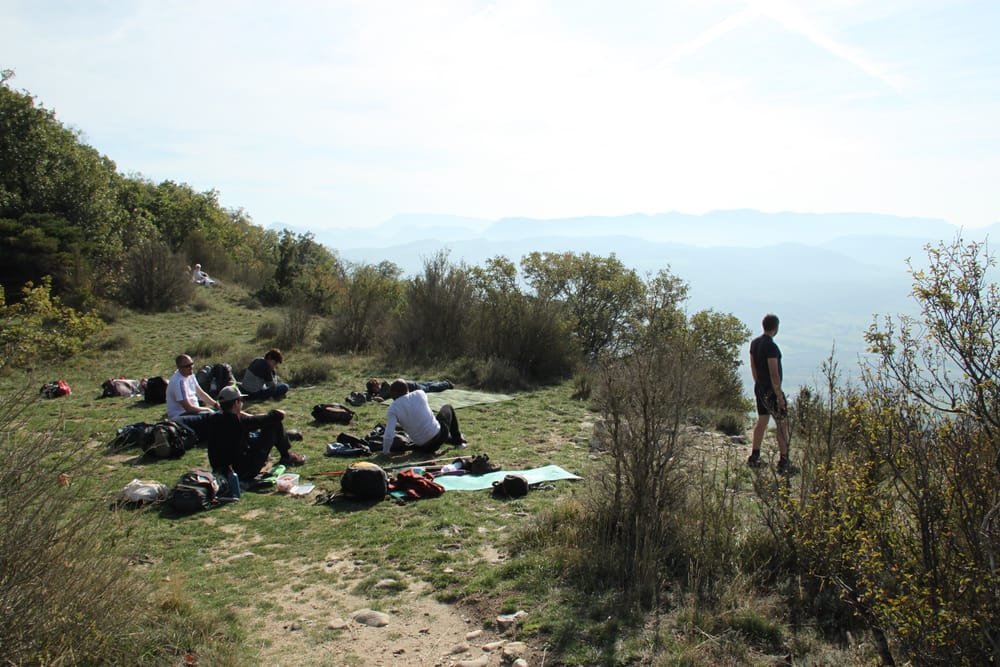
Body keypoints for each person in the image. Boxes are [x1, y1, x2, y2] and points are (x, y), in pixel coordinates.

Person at [205, 386, 306, 499]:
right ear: (236, 403)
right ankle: (286, 456)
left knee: (254, 436)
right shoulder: (239, 422)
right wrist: (274, 413)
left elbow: (251, 421)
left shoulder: (214, 419)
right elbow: (276, 416)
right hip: (242, 471)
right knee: (274, 425)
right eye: (241, 400)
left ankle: (286, 450)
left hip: (221, 470)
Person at [747, 313, 797, 474]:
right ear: (776, 328)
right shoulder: (771, 347)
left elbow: (753, 367)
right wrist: (779, 395)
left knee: (762, 421)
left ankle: (754, 456)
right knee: (782, 424)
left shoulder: (755, 343)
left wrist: (758, 384)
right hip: (772, 390)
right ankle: (784, 461)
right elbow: (774, 373)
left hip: (760, 387)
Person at [380, 378, 466, 455]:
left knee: (430, 426)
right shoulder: (419, 394)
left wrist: (385, 451)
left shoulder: (392, 408)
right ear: (407, 389)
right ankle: (458, 441)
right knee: (448, 407)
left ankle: (452, 440)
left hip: (424, 448)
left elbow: (389, 434)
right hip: (439, 437)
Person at [166, 354, 220, 442]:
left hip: (194, 412)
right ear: (179, 367)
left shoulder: (190, 375)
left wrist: (215, 404)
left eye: (192, 364)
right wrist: (207, 409)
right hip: (181, 415)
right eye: (187, 366)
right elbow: (188, 408)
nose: (191, 367)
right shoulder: (179, 382)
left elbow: (200, 393)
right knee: (212, 417)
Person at [365, 377, 453, 403]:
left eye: (376, 384)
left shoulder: (385, 388)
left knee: (429, 388)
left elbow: (382, 398)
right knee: (426, 384)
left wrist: (373, 398)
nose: (377, 385)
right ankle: (442, 382)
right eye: (375, 385)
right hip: (409, 384)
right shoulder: (384, 386)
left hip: (410, 387)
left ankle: (447, 384)